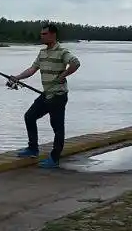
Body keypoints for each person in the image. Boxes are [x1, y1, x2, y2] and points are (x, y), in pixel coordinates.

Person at [7, 23, 81, 169]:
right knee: (29, 116)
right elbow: (32, 69)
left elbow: (75, 63)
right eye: (41, 34)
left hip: (58, 95)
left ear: (53, 35)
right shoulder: (42, 53)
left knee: (57, 127)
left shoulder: (62, 51)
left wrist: (63, 75)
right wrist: (17, 77)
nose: (41, 36)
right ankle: (33, 149)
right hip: (47, 95)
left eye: (44, 34)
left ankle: (54, 159)